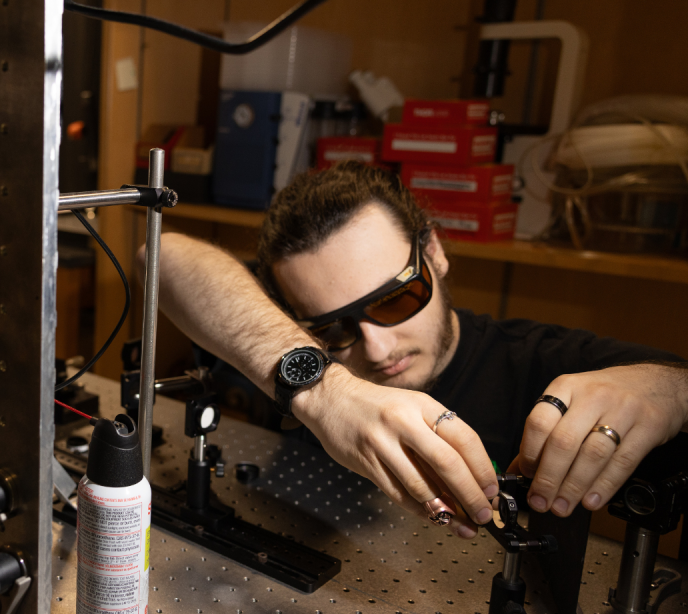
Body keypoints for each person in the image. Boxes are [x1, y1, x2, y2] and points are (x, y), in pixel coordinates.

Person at [150, 162, 688, 539]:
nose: (378, 348)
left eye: (396, 298)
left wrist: (671, 389)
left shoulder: (535, 363)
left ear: (434, 251)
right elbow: (161, 252)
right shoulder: (292, 345)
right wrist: (324, 390)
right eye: (336, 328)